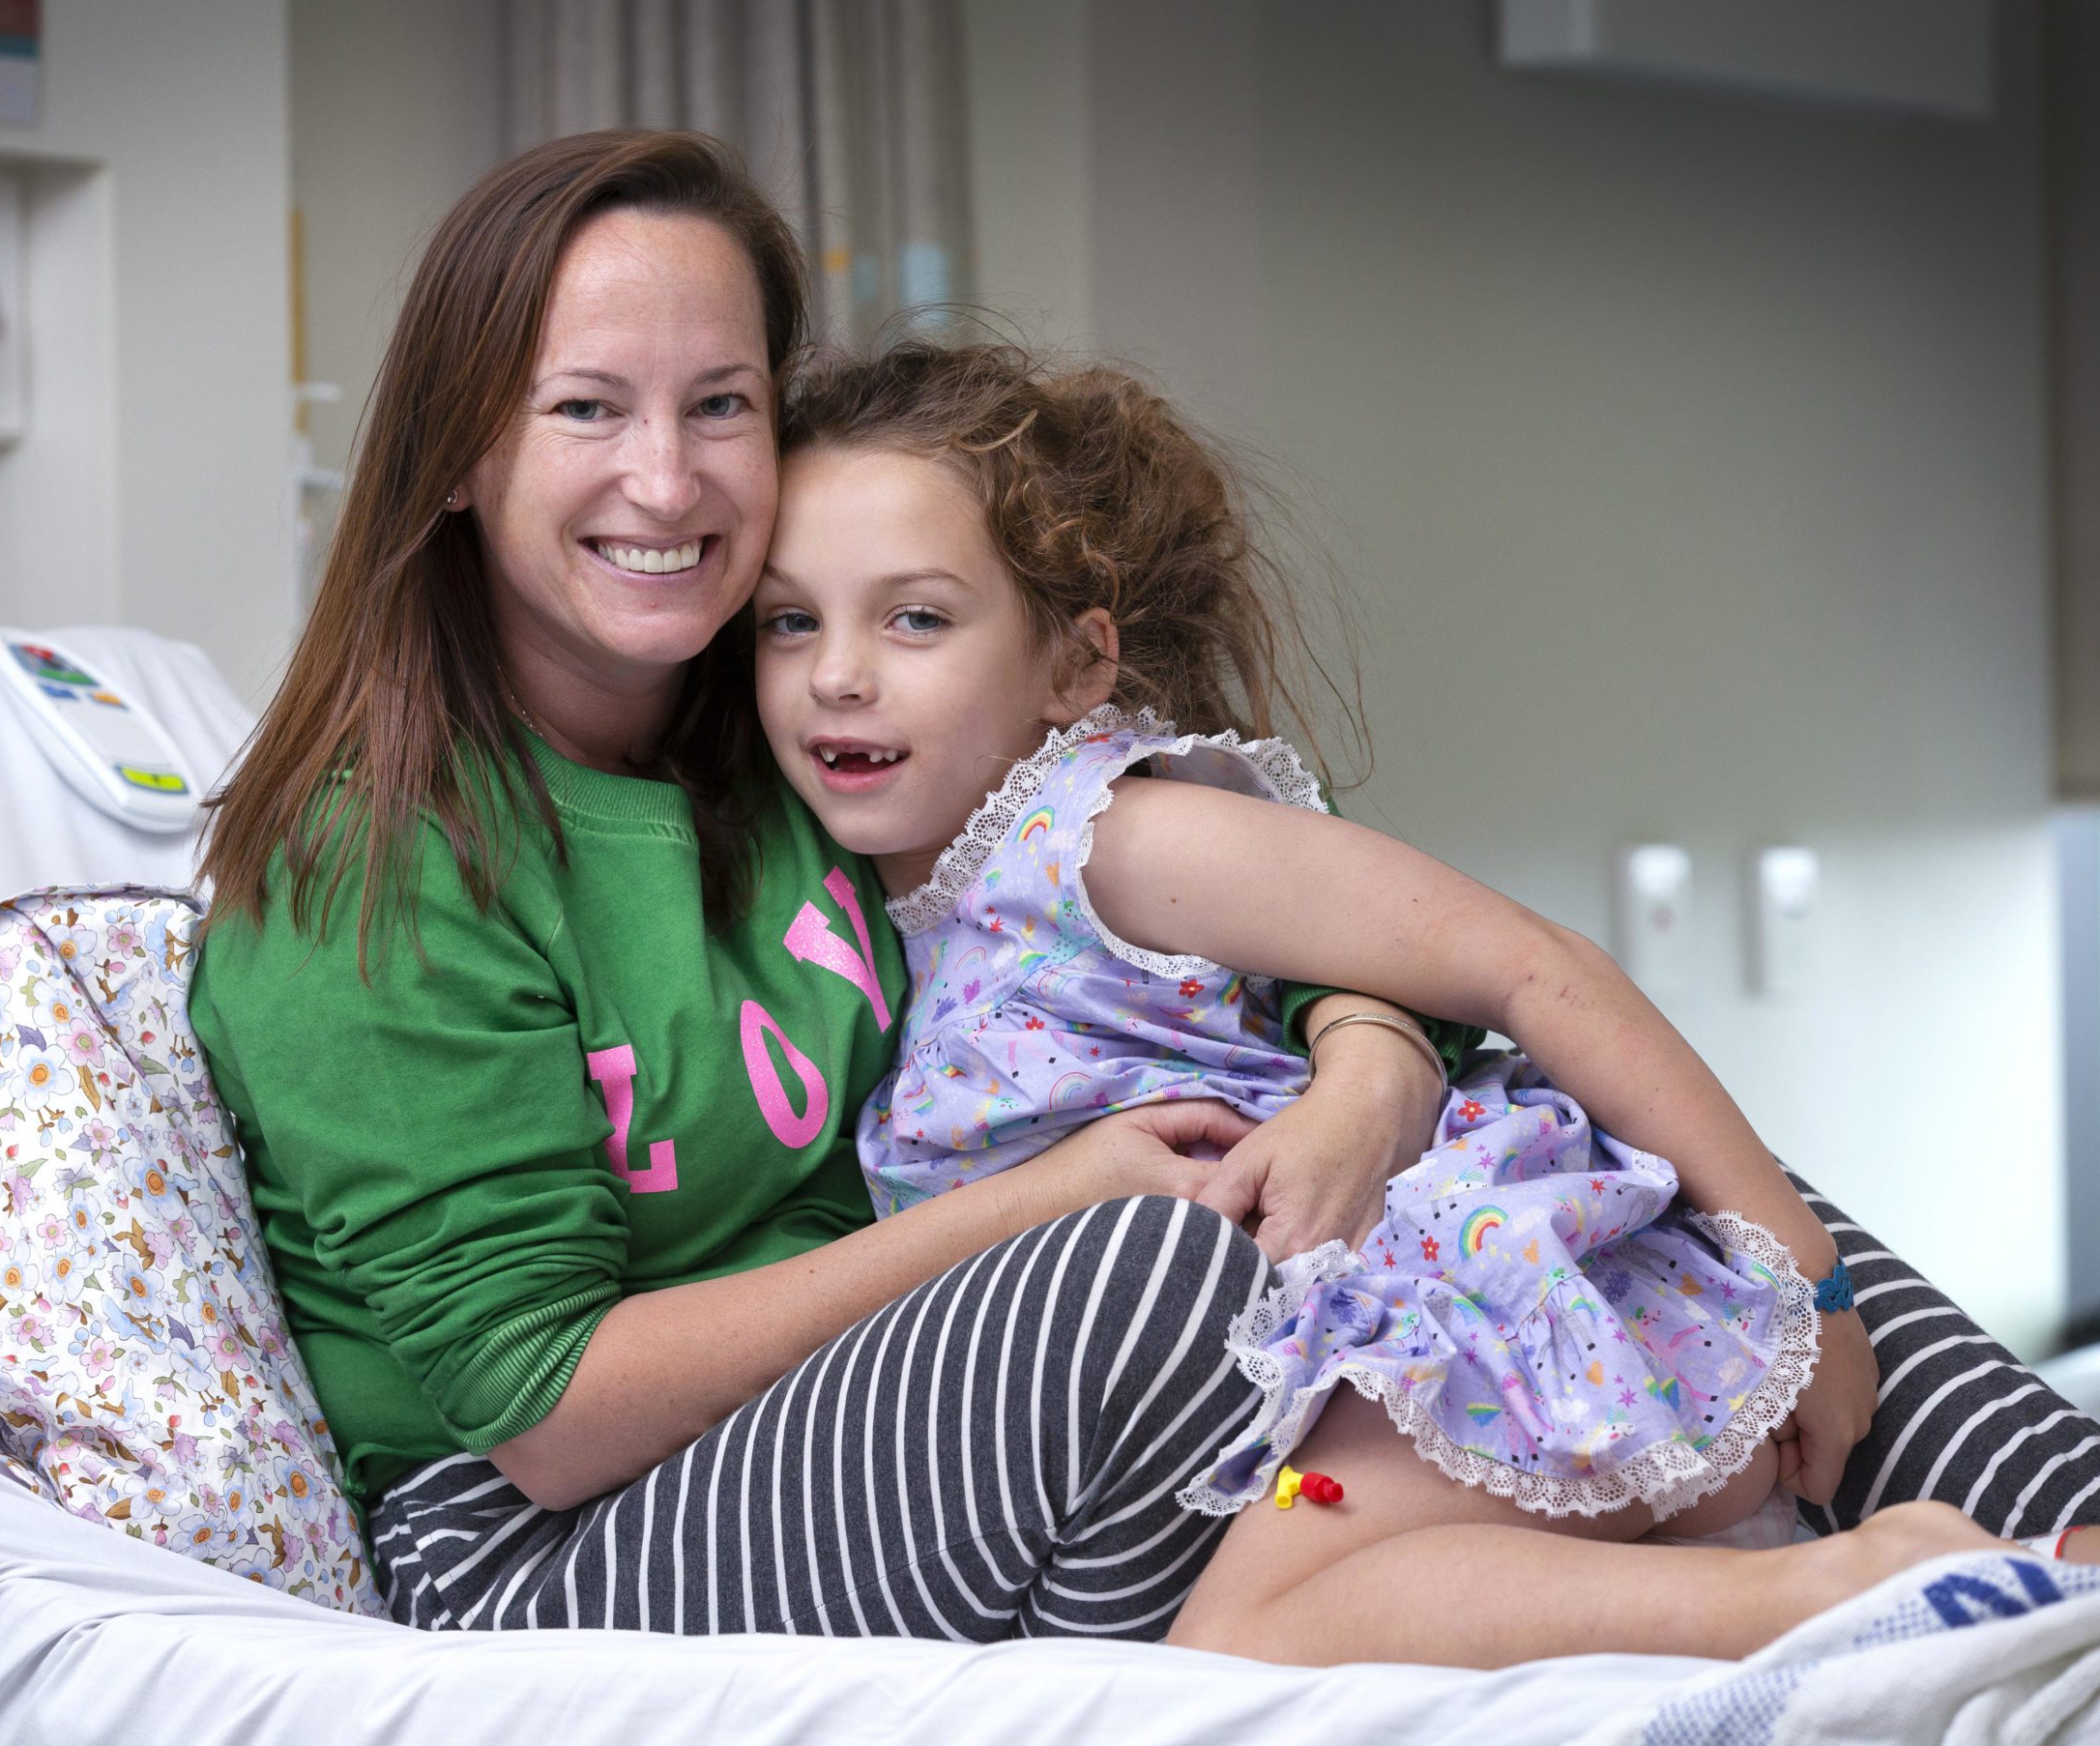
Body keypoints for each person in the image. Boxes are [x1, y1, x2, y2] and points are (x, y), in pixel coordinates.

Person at [190, 129, 1454, 1639]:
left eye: (719, 404)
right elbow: (544, 1408)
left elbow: (1168, 884)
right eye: (586, 407)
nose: (664, 479)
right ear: (460, 453)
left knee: (1571, 1190)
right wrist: (1041, 1204)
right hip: (547, 1545)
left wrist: (1369, 1066)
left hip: (893, 1401)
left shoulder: (812, 711)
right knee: (1162, 1275)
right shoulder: (381, 867)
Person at [748, 337, 2086, 1670]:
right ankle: (1823, 1585)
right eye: (789, 619)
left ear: (1075, 665)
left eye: (915, 616)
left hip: (1470, 1314)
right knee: (1275, 1601)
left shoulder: (1109, 839)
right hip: (1347, 1383)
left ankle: (1842, 1590)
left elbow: (1532, 964)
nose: (838, 673)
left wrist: (1815, 1282)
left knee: (1247, 1635)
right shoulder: (913, 912)